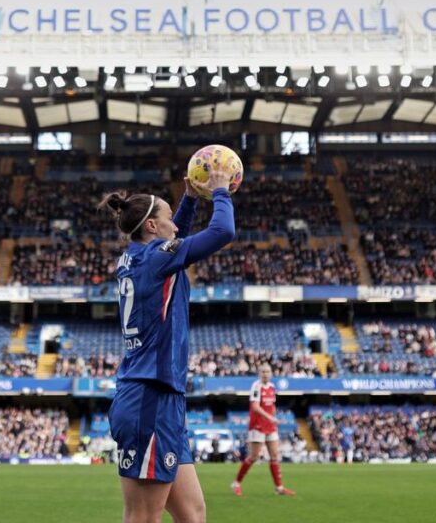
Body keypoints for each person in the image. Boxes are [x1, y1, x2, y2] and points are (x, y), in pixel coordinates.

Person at [102, 168, 235, 523]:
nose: (175, 226)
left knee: (192, 514)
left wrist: (190, 198)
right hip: (149, 399)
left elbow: (174, 235)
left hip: (162, 399)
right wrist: (220, 192)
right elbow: (223, 231)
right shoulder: (157, 257)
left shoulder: (138, 257)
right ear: (151, 228)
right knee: (143, 517)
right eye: (168, 218)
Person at [232, 363, 295, 496]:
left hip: (270, 426)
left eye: (267, 371)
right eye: (263, 371)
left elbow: (271, 405)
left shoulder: (272, 387)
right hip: (257, 426)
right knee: (253, 456)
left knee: (274, 455)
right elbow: (255, 406)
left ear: (271, 373)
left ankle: (279, 487)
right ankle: (236, 483)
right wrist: (270, 418)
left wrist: (273, 418)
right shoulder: (256, 387)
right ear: (259, 373)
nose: (265, 374)